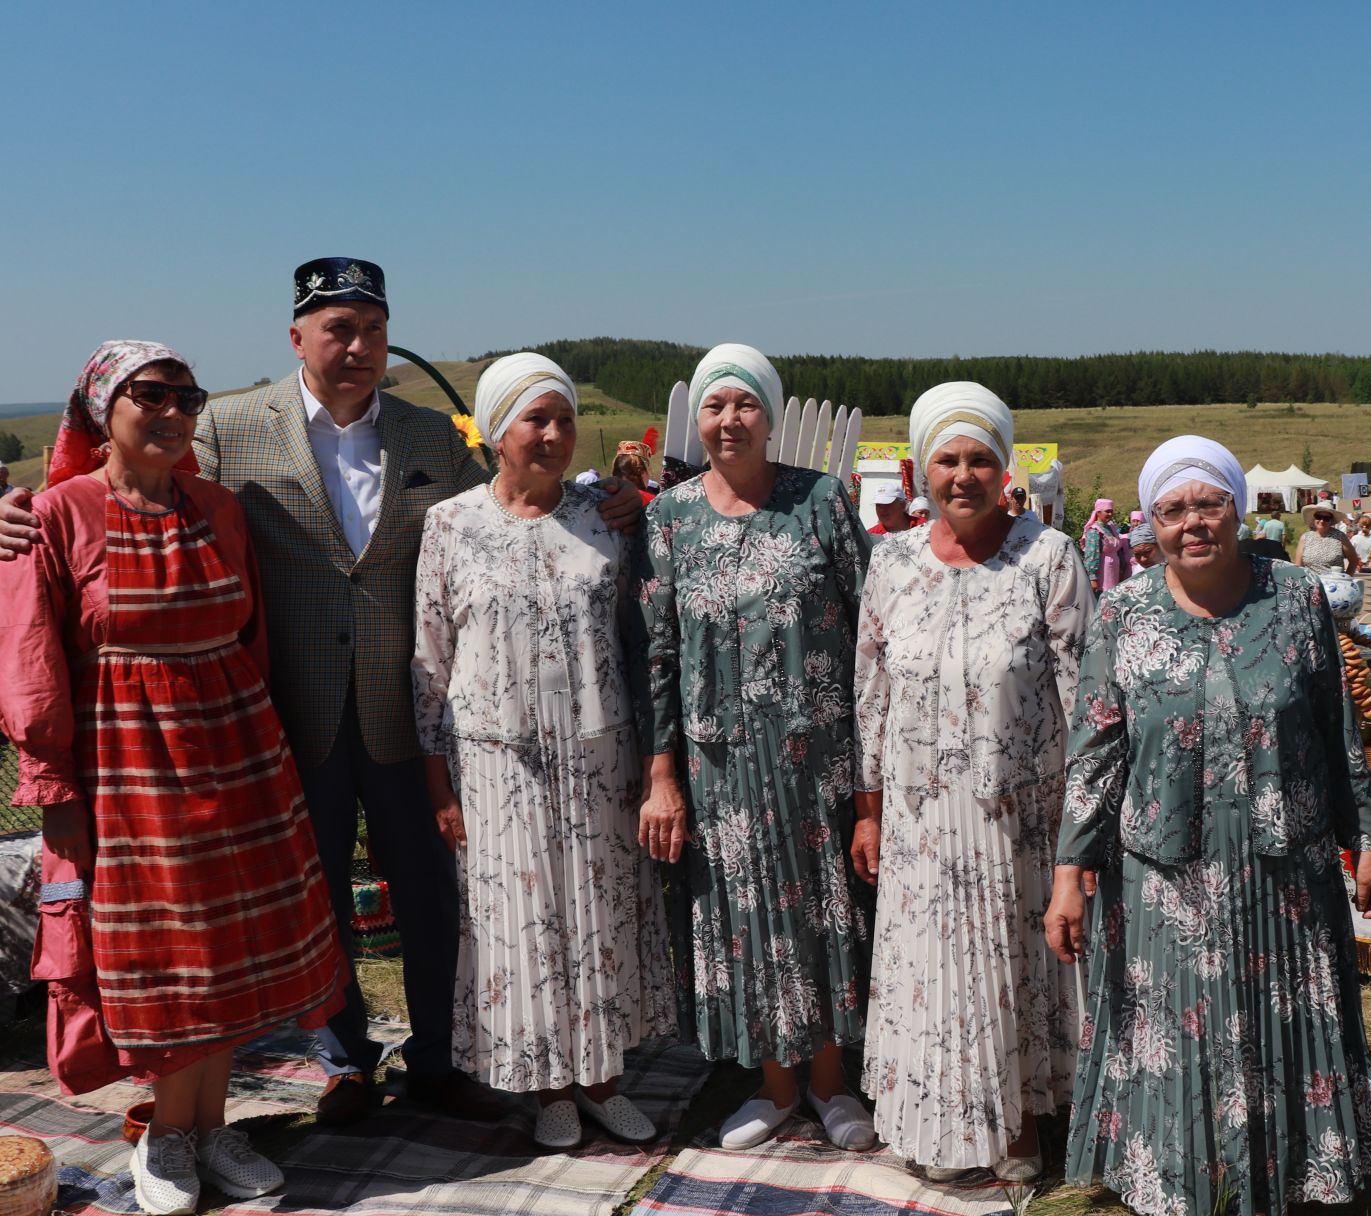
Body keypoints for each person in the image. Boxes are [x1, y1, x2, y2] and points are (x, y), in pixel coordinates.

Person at [0, 258, 652, 1124]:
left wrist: (596, 495)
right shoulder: (227, 425)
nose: (357, 347)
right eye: (338, 329)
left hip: (405, 704)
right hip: (278, 713)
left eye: (373, 331)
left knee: (428, 891)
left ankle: (439, 1057)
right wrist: (17, 508)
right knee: (316, 892)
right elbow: (122, 491)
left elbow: (508, 506)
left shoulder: (428, 437)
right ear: (297, 336)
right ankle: (345, 1061)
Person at [0, 342, 346, 1216]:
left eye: (186, 398)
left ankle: (214, 1123)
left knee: (226, 943)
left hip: (236, 747)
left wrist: (271, 748)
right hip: (125, 761)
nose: (171, 412)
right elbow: (32, 662)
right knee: (160, 951)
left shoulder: (222, 509)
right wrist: (56, 791)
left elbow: (250, 635)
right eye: (148, 396)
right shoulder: (53, 515)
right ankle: (165, 1132)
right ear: (99, 410)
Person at [1044, 435, 1371, 1216]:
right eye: (1173, 510)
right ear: (1150, 523)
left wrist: (1364, 838)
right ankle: (1179, 1181)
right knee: (1180, 1024)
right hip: (1166, 873)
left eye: (1209, 504)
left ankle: (1287, 1181)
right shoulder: (1125, 613)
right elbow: (1096, 750)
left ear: (1237, 507)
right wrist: (1070, 868)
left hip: (1285, 867)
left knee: (1277, 1025)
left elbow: (1338, 731)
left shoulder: (1298, 597)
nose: (1193, 523)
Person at [412, 356, 676, 1149]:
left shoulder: (609, 518)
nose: (554, 435)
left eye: (564, 419)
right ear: (498, 433)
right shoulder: (451, 525)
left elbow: (639, 642)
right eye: (536, 420)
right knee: (523, 922)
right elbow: (430, 661)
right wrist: (439, 786)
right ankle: (550, 1087)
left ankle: (602, 1079)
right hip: (497, 764)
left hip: (600, 754)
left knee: (597, 917)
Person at [636, 343, 876, 1152]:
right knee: (745, 919)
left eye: (744, 404)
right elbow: (659, 652)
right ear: (698, 420)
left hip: (817, 757)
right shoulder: (669, 518)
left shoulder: (821, 503)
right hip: (720, 762)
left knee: (824, 915)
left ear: (769, 416)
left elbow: (871, 628)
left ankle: (834, 1085)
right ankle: (774, 1087)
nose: (729, 419)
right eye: (715, 405)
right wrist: (663, 770)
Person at [851, 381, 1089, 1183]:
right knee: (931, 976)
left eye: (979, 459)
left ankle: (1016, 1127)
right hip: (919, 818)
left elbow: (1082, 697)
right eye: (946, 460)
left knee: (1003, 976)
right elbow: (871, 695)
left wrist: (1079, 829)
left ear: (1005, 467)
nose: (963, 475)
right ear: (920, 471)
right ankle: (933, 1126)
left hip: (1016, 817)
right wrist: (870, 811)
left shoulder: (1048, 558)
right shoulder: (891, 563)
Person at [1294, 503, 1360, 574]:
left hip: (1333, 582)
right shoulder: (1305, 537)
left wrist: (1347, 578)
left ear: (1331, 521)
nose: (1322, 521)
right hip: (1310, 582)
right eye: (1318, 516)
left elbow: (1354, 560)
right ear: (1314, 518)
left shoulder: (1340, 536)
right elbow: (1298, 565)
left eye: (1326, 518)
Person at [1081, 499, 1129, 593]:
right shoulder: (1094, 531)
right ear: (1098, 512)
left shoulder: (1111, 528)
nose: (1110, 514)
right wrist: (1093, 577)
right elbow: (1092, 554)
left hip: (1114, 568)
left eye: (1111, 511)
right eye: (1107, 511)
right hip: (1104, 569)